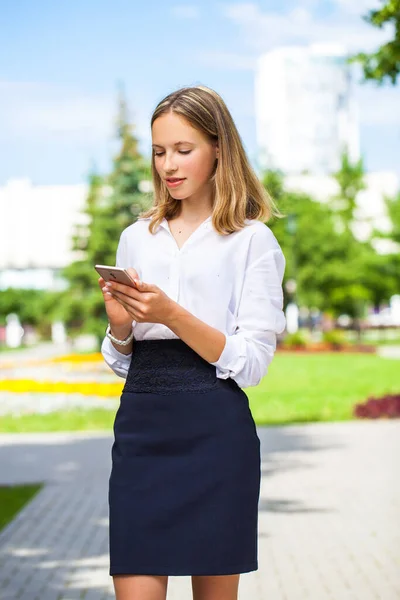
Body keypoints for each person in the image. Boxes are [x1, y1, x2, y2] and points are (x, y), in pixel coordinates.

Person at [98, 85, 286, 600]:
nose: (168, 166)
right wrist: (120, 325)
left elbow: (251, 363)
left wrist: (173, 316)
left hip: (215, 436)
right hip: (141, 431)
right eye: (160, 152)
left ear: (219, 148)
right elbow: (121, 361)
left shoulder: (252, 241)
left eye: (184, 150)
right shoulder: (137, 236)